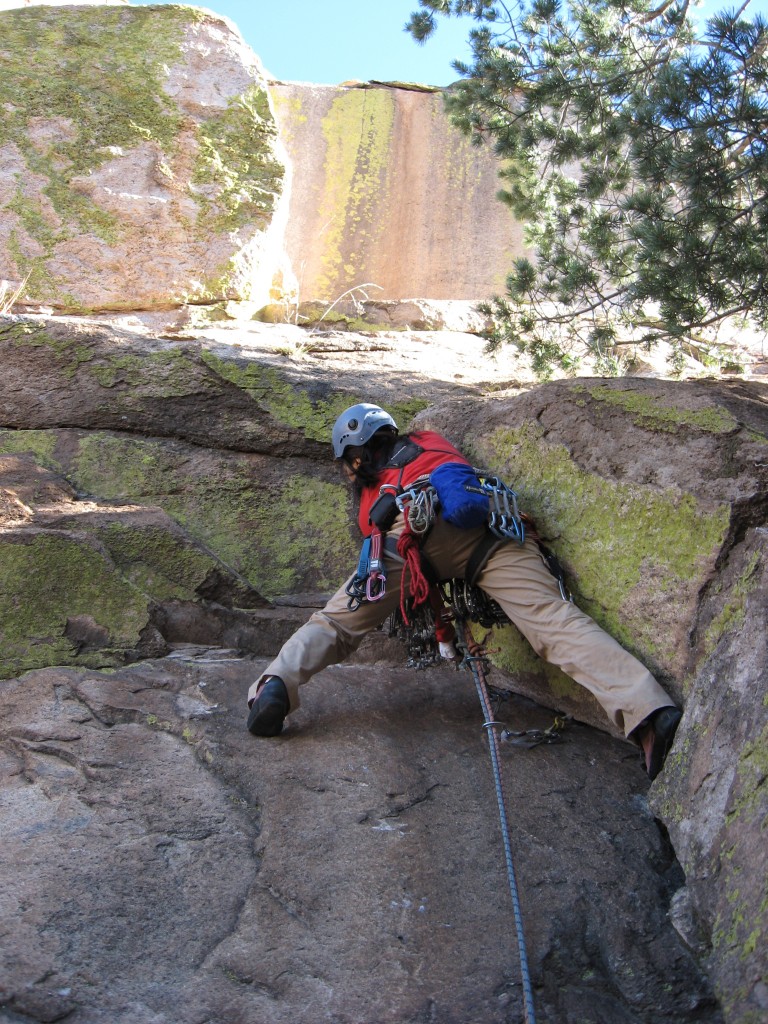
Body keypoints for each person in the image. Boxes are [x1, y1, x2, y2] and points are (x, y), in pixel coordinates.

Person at [247, 403, 682, 780]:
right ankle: (648, 712)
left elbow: (397, 558)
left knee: (336, 623)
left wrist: (440, 629)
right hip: (489, 529)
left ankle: (275, 685)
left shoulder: (368, 500)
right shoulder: (430, 439)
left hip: (406, 536)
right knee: (551, 618)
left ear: (354, 457)